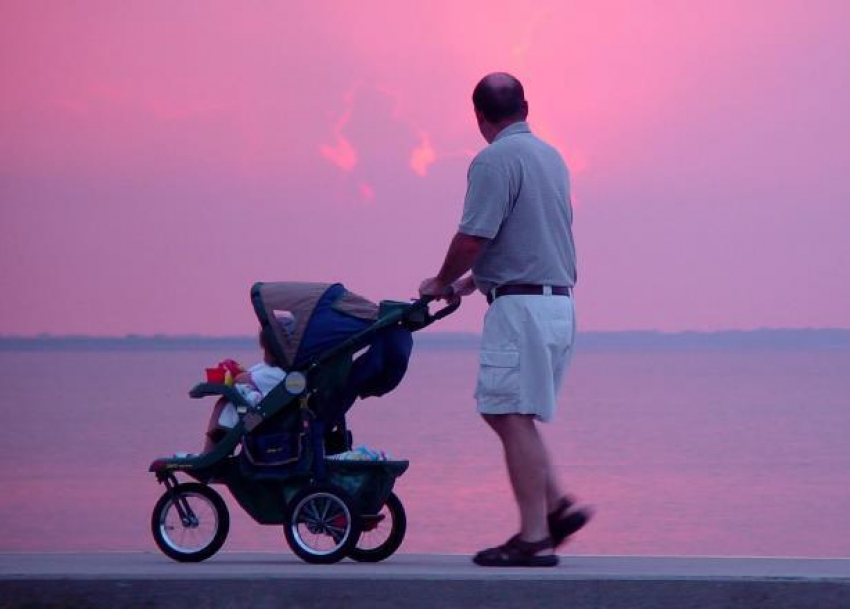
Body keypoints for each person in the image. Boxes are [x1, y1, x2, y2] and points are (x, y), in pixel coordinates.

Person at [419, 72, 591, 567]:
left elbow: (473, 238)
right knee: (512, 412)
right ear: (526, 107)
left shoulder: (494, 161)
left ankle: (535, 537)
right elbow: (523, 239)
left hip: (521, 311)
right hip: (556, 300)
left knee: (507, 412)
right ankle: (555, 506)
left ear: (478, 116)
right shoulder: (551, 158)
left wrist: (438, 282)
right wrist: (469, 284)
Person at [203, 331, 286, 452]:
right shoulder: (275, 370)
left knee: (224, 402)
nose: (264, 354)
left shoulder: (277, 373)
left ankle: (211, 451)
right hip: (262, 417)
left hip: (256, 422)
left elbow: (241, 379)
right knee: (229, 401)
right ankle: (218, 443)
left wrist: (235, 375)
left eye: (265, 350)